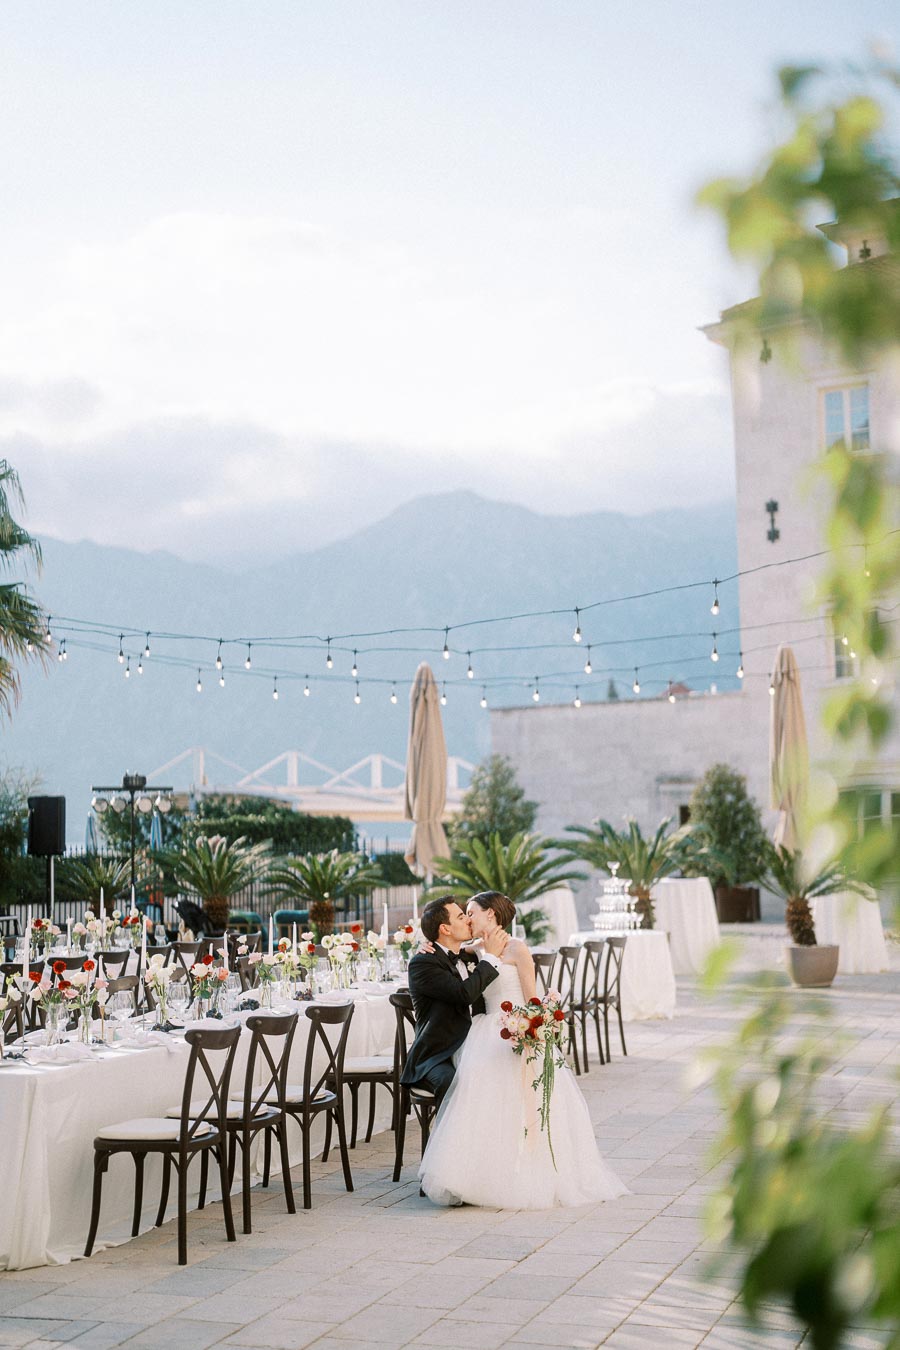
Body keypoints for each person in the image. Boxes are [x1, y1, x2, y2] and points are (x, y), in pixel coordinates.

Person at [418, 890, 628, 1209]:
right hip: (485, 1031)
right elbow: (444, 960)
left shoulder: (518, 949)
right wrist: (421, 945)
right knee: (481, 1100)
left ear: (491, 915)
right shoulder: (472, 951)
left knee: (523, 1102)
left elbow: (532, 999)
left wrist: (534, 1027)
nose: (468, 917)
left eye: (471, 911)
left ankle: (524, 1172)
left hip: (518, 1031)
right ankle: (480, 1173)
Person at [401, 897, 510, 1106]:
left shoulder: (469, 957)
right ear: (445, 929)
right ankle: (447, 1138)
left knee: (501, 1071)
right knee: (451, 1081)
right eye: (461, 917)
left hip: (472, 1045)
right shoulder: (423, 963)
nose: (468, 921)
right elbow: (464, 994)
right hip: (438, 1055)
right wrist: (491, 957)